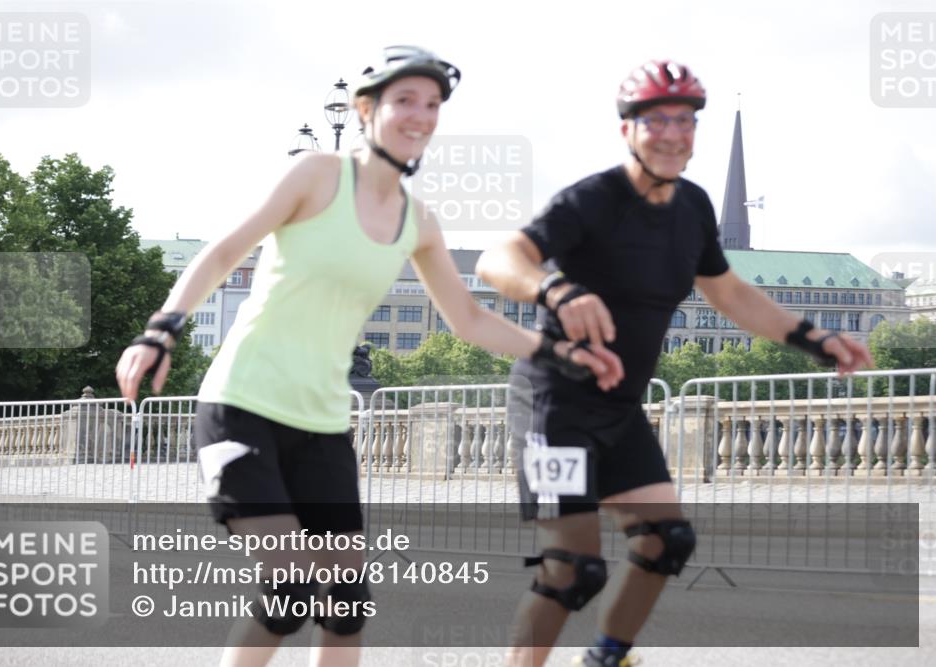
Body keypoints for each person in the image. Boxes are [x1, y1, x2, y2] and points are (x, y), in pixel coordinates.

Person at [115, 46, 624, 667]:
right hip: (243, 404)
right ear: (365, 109)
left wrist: (559, 352)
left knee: (346, 603)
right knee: (290, 590)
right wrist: (161, 330)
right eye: (405, 100)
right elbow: (225, 252)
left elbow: (467, 318)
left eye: (432, 104)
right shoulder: (317, 175)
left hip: (323, 425)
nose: (420, 115)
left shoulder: (418, 222)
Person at [475, 59, 874, 667]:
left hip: (619, 410)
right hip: (555, 405)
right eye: (656, 120)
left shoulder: (691, 207)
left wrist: (814, 337)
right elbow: (498, 259)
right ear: (627, 130)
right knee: (572, 567)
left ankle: (606, 658)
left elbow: (729, 292)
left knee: (667, 540)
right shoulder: (592, 200)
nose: (672, 133)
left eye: (685, 121)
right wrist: (557, 290)